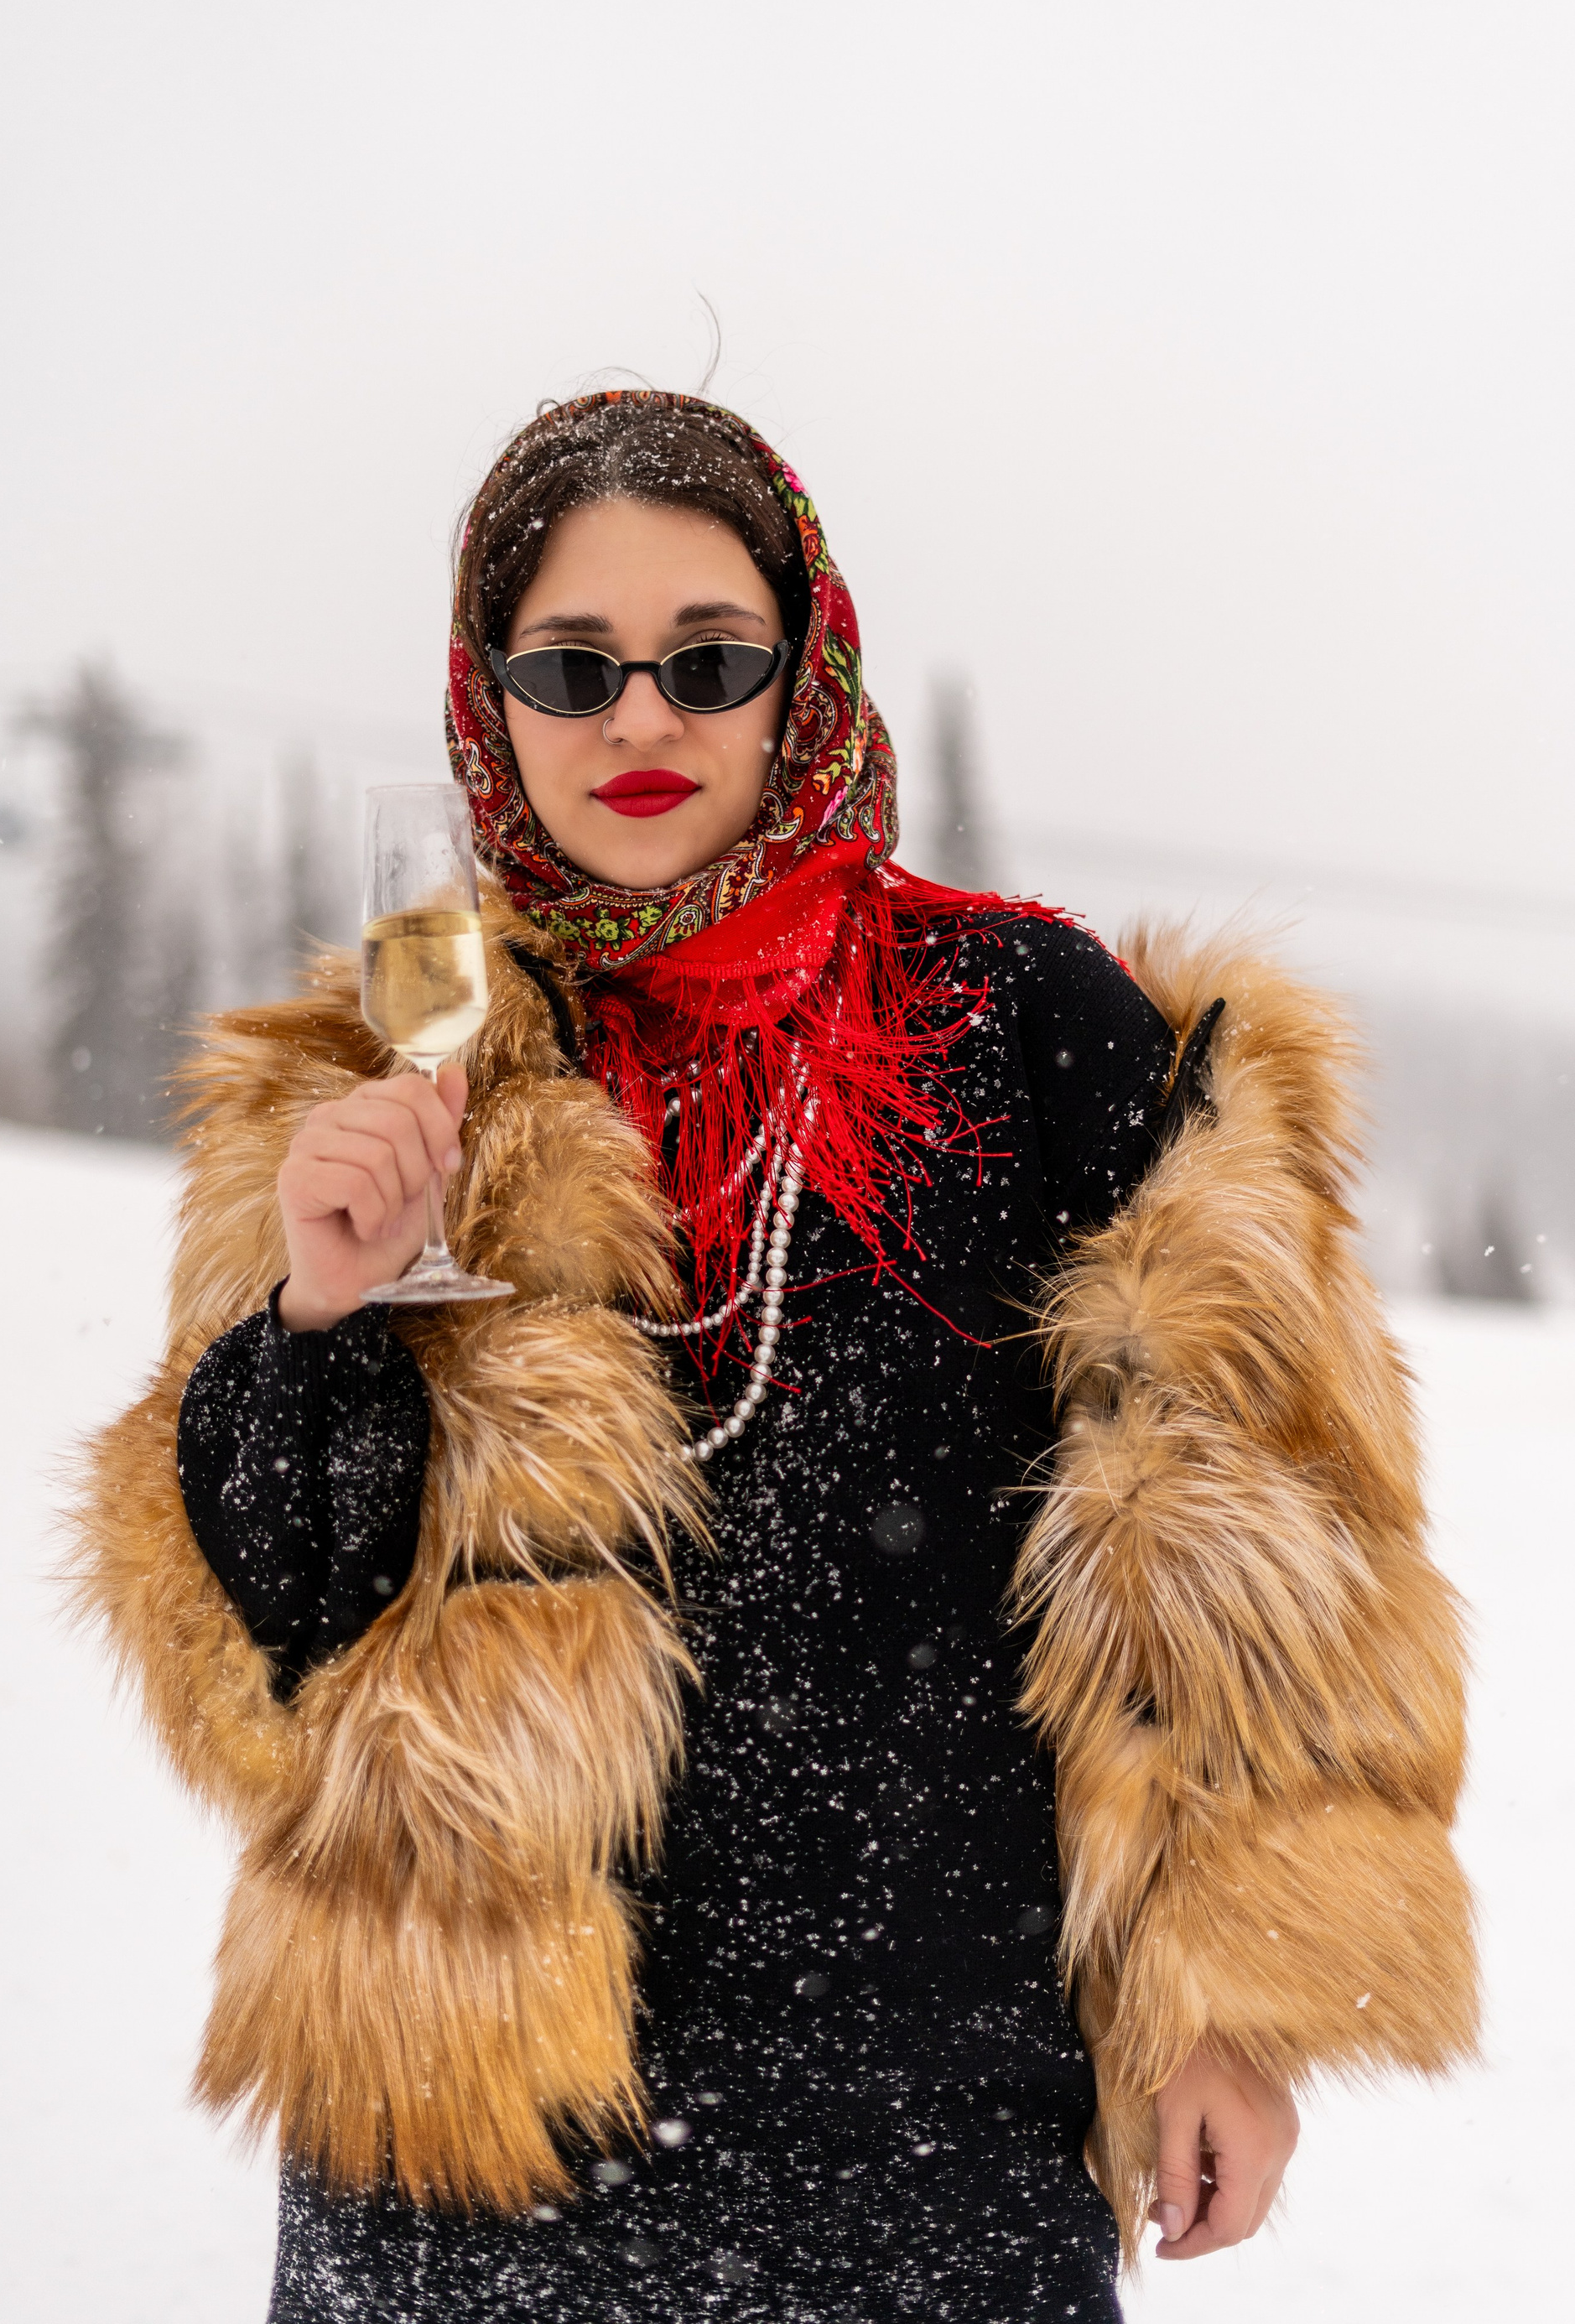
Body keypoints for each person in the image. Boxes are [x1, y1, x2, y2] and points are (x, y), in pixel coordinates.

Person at [74, 393, 1478, 2324]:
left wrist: (1234, 2003)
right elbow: (250, 1655)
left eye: (709, 661)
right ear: (492, 703)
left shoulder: (1031, 1024)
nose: (640, 722)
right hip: (464, 2143)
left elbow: (1271, 1542)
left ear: (799, 679)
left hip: (936, 2142)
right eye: (573, 670)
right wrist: (320, 1313)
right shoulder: (392, 1065)